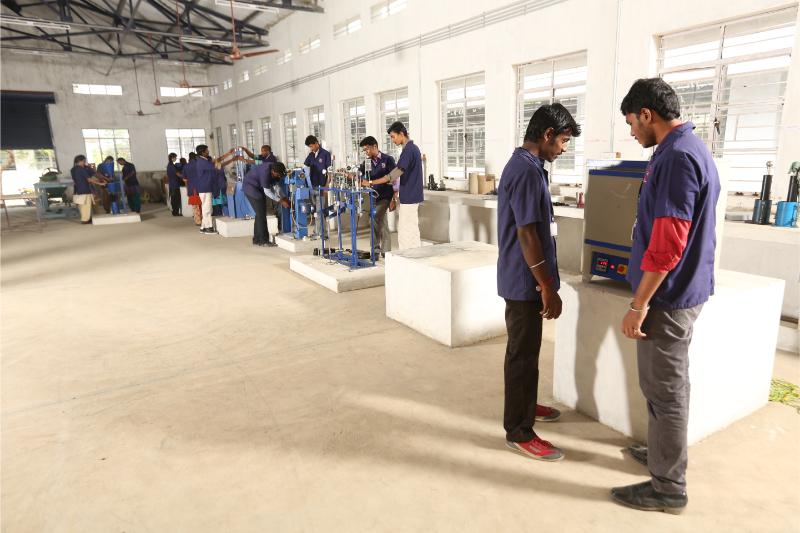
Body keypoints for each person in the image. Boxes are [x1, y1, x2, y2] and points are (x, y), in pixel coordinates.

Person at [611, 78, 721, 515]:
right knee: (664, 386)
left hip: (667, 298)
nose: (632, 132)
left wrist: (638, 305)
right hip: (680, 291)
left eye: (631, 123)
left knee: (666, 391)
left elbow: (668, 245)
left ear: (647, 114)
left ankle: (669, 488)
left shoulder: (677, 157)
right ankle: (661, 452)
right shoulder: (684, 148)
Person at [496, 103, 581, 463]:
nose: (564, 148)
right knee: (522, 354)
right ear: (547, 135)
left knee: (528, 351)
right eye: (563, 140)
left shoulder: (528, 166)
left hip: (524, 276)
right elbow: (527, 234)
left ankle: (526, 406)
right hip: (525, 281)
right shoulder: (527, 171)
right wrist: (547, 284)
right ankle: (519, 431)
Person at [368, 122, 423, 250]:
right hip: (414, 195)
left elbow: (395, 173)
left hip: (409, 196)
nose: (392, 140)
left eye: (393, 137)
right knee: (413, 230)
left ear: (401, 134)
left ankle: (406, 257)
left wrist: (372, 182)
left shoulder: (408, 150)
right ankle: (416, 255)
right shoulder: (413, 148)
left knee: (404, 232)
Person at [356, 136, 396, 256]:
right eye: (364, 150)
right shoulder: (367, 162)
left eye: (367, 149)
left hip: (386, 195)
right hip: (374, 196)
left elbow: (395, 178)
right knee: (382, 221)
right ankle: (384, 251)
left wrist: (394, 198)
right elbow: (359, 173)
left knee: (374, 217)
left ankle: (376, 248)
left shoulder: (388, 159)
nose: (366, 152)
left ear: (375, 146)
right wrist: (350, 175)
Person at [242, 160, 290, 246]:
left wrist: (285, 198)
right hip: (251, 187)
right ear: (272, 171)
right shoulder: (265, 173)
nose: (279, 176)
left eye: (280, 175)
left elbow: (277, 187)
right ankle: (263, 241)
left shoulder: (276, 170)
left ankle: (256, 239)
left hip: (258, 188)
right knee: (261, 214)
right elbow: (267, 192)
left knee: (260, 213)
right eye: (278, 175)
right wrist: (282, 201)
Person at [195, 144, 234, 234]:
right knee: (207, 208)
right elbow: (219, 165)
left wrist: (228, 154)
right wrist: (232, 160)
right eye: (207, 150)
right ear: (203, 152)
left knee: (206, 207)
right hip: (205, 188)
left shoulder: (205, 159)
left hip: (206, 187)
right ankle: (209, 228)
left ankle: (203, 227)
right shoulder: (203, 162)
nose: (208, 151)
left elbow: (217, 160)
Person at [303, 135, 332, 239]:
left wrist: (326, 187)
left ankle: (316, 233)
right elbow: (305, 167)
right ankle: (325, 234)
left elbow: (330, 173)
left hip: (321, 188)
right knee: (318, 212)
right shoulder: (311, 155)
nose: (311, 149)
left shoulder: (325, 154)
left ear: (316, 143)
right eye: (309, 147)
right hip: (312, 187)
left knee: (318, 212)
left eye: (312, 146)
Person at [71, 155, 107, 224]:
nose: (84, 163)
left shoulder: (73, 169)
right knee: (86, 205)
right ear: (80, 161)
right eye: (84, 161)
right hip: (84, 189)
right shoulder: (82, 169)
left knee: (82, 205)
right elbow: (89, 178)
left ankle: (85, 218)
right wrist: (100, 183)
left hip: (78, 189)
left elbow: (74, 179)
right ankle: (85, 219)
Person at [184, 152, 202, 226]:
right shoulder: (199, 164)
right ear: (196, 157)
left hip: (191, 188)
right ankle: (205, 220)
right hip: (201, 187)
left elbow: (185, 180)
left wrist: (187, 189)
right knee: (203, 205)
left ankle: (198, 221)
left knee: (195, 206)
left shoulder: (186, 166)